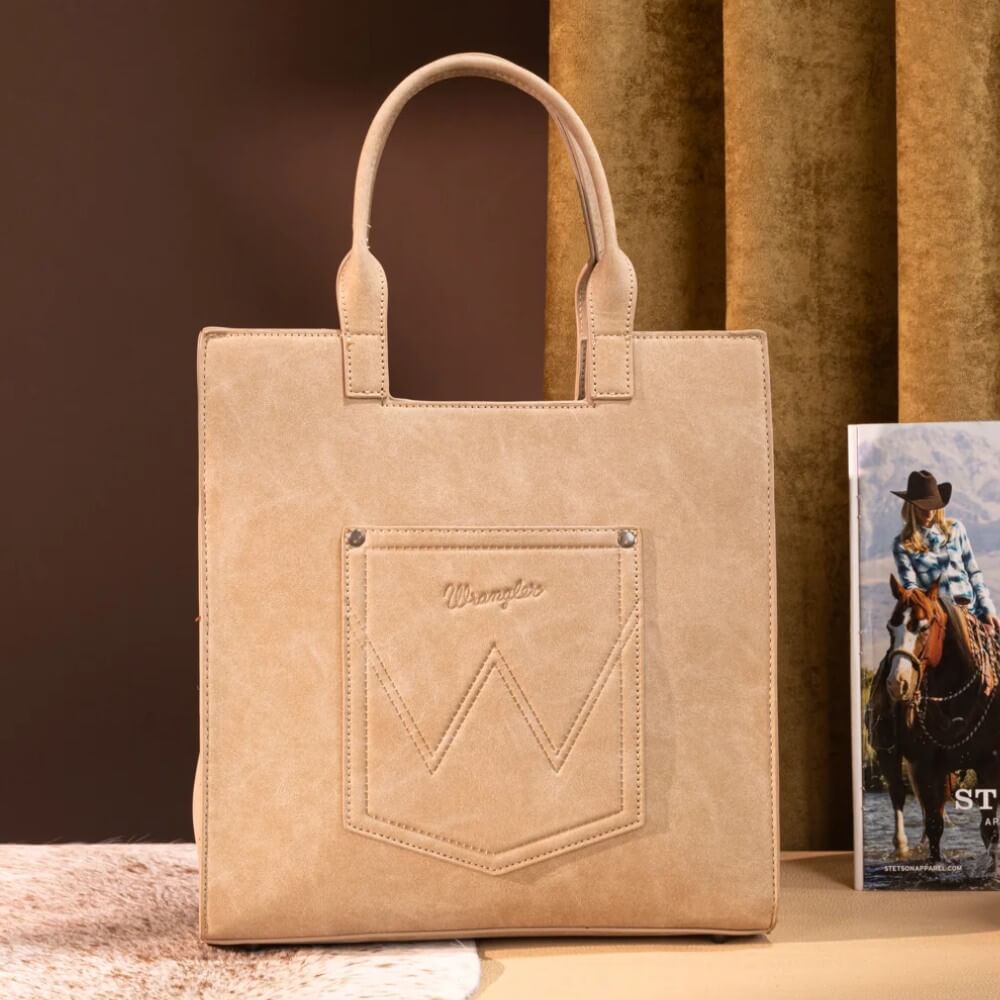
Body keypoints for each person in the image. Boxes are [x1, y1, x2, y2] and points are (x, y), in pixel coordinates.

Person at [890, 469, 1000, 633]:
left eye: (933, 505)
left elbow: (974, 572)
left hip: (973, 612)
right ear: (911, 505)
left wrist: (987, 607)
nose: (929, 511)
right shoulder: (902, 544)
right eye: (923, 506)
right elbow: (912, 590)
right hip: (938, 619)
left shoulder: (956, 529)